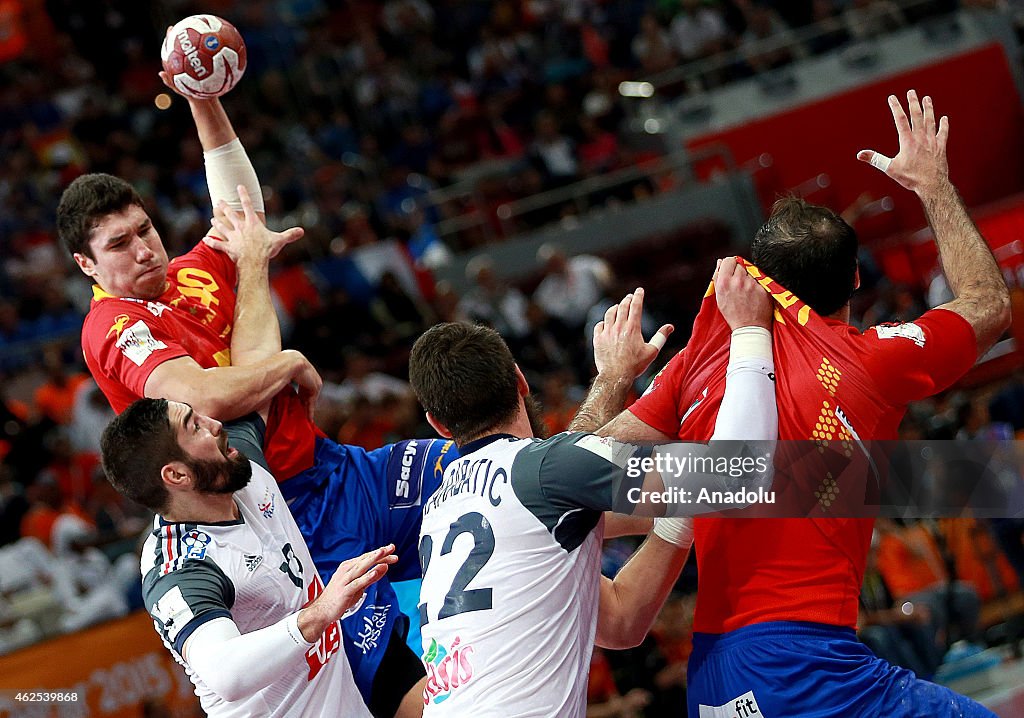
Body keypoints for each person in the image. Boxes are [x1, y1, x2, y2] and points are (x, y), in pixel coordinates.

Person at [572, 91, 1009, 716]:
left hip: (714, 681)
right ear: (857, 279)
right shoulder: (871, 359)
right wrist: (932, 184)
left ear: (757, 274)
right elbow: (988, 307)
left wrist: (612, 376)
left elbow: (574, 469)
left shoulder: (697, 363)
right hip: (803, 666)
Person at [56, 72, 453, 717]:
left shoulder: (189, 275)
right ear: (87, 266)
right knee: (419, 702)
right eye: (118, 245)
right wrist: (285, 352)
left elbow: (240, 212)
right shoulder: (113, 328)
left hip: (337, 467)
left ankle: (678, 502)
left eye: (145, 230)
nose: (143, 250)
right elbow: (203, 398)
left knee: (512, 474)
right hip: (287, 516)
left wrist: (204, 102)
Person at [407, 259, 778, 717]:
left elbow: (621, 622)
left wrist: (677, 520)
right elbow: (739, 475)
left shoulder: (439, 508)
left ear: (438, 425)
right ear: (521, 381)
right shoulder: (545, 473)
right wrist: (749, 332)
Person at [100, 397, 393, 718]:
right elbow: (227, 674)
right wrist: (320, 612)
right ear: (177, 475)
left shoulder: (234, 463)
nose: (215, 424)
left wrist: (292, 365)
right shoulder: (182, 571)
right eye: (195, 427)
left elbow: (260, 390)